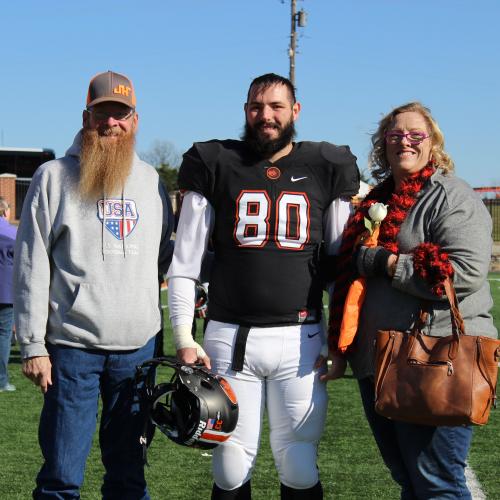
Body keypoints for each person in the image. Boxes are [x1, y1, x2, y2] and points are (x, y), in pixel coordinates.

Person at [167, 73, 360, 499]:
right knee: (230, 466)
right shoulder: (215, 162)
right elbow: (185, 262)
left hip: (301, 338)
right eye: (256, 107)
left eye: (275, 106)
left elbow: (339, 265)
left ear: (295, 111)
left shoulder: (326, 165)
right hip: (229, 337)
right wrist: (183, 335)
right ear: (245, 111)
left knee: (299, 463)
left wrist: (338, 339)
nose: (265, 116)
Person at [14, 70, 174, 499]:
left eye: (120, 115)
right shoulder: (53, 177)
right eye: (102, 114)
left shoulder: (151, 182)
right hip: (72, 348)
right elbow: (31, 264)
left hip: (136, 351)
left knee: (128, 478)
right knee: (62, 478)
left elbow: (162, 255)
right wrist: (32, 345)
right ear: (86, 118)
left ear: (135, 120)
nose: (111, 124)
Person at [326, 102, 498, 499]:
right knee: (409, 480)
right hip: (378, 360)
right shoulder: (373, 202)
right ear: (382, 144)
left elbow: (464, 273)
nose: (405, 141)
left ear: (432, 144)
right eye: (395, 134)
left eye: (415, 135)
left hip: (434, 359)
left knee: (438, 486)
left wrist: (386, 262)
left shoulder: (451, 197)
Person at [0, 196, 17, 392]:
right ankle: (1, 380)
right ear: (5, 212)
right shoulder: (13, 233)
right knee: (3, 336)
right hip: (5, 292)